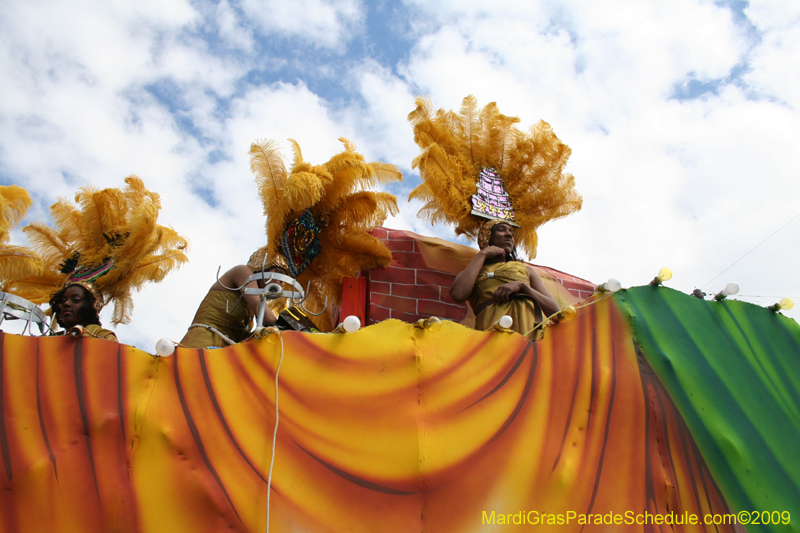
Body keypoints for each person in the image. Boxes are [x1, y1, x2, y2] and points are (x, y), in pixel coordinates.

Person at [450, 220, 559, 341]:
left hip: (528, 331)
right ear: (487, 237)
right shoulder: (473, 271)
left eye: (511, 233)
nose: (509, 235)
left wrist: (522, 287)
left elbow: (555, 312)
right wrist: (482, 254)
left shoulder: (526, 270)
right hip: (491, 331)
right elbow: (458, 295)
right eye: (501, 230)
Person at [179, 256, 285, 349]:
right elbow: (268, 318)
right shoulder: (242, 271)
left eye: (281, 281)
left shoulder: (251, 307)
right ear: (263, 265)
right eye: (277, 273)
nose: (278, 282)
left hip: (227, 353)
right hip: (203, 342)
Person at [49, 283, 118, 341]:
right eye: (63, 301)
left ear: (90, 306)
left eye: (76, 300)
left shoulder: (104, 337)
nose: (66, 303)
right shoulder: (49, 341)